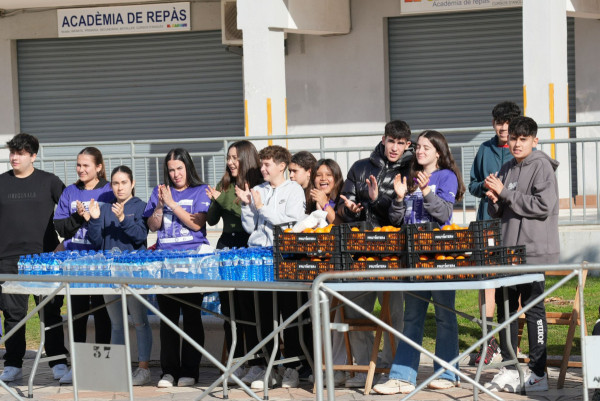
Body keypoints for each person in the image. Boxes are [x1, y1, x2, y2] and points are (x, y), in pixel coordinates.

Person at [374, 130, 465, 394]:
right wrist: (400, 198)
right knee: (412, 317)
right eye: (419, 147)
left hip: (439, 256)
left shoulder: (446, 176)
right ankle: (403, 376)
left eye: (427, 147)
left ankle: (447, 372)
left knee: (445, 316)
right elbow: (398, 220)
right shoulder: (410, 177)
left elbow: (444, 212)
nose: (420, 151)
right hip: (413, 256)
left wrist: (426, 190)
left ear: (439, 151)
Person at [336, 120, 413, 388]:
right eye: (391, 141)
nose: (394, 148)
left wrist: (376, 198)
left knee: (393, 313)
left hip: (392, 252)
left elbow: (398, 217)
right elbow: (342, 206)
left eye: (400, 143)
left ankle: (392, 368)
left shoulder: (409, 170)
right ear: (383, 139)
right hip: (359, 250)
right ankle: (365, 365)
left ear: (407, 145)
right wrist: (350, 210)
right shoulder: (360, 167)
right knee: (354, 311)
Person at [483, 116, 558, 393]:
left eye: (523, 139)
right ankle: (511, 367)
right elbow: (503, 209)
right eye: (513, 138)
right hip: (508, 253)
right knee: (506, 311)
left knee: (533, 310)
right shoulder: (506, 168)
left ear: (534, 141)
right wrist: (495, 200)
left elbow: (543, 206)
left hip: (534, 252)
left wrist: (505, 194)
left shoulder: (541, 166)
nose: (516, 143)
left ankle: (539, 372)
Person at [0, 133, 70, 383]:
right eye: (12, 152)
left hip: (45, 259)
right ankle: (13, 363)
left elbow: (69, 212)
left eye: (20, 153)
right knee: (13, 315)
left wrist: (64, 245)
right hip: (7, 259)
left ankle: (58, 362)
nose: (14, 157)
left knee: (50, 313)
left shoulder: (49, 182)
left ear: (33, 156)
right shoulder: (1, 182)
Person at [238, 145, 306, 390]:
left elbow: (291, 221)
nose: (262, 169)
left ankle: (292, 367)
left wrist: (262, 207)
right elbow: (250, 228)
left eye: (267, 165)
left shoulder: (295, 190)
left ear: (281, 166)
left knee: (289, 313)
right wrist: (247, 205)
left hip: (285, 256)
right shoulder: (258, 190)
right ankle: (267, 365)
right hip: (260, 255)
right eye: (261, 164)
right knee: (263, 312)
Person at [143, 148, 211, 388]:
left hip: (192, 262)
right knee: (167, 318)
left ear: (188, 168)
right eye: (171, 170)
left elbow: (197, 224)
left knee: (192, 316)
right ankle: (169, 371)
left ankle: (190, 371)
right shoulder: (159, 191)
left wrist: (173, 203)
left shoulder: (200, 190)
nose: (175, 174)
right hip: (165, 262)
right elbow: (152, 225)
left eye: (179, 169)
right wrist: (161, 206)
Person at [54, 146, 114, 384]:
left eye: (86, 165)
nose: (81, 169)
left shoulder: (109, 191)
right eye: (78, 165)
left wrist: (94, 218)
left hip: (101, 264)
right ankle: (76, 366)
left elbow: (113, 225)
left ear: (99, 167)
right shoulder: (70, 192)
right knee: (76, 316)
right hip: (74, 263)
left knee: (102, 314)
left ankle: (101, 367)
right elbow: (59, 228)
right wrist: (78, 217)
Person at [205, 140, 263, 385]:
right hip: (225, 247)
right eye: (228, 157)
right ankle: (237, 361)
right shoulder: (224, 183)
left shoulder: (256, 184)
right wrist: (217, 200)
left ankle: (257, 361)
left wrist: (224, 200)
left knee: (249, 306)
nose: (230, 162)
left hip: (247, 245)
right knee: (229, 310)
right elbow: (211, 219)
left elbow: (247, 216)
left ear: (246, 158)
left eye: (235, 157)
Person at [87, 165, 151, 386]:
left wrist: (124, 218)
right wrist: (94, 219)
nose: (120, 187)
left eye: (124, 182)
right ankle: (117, 368)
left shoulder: (141, 206)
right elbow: (96, 242)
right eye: (115, 183)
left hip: (134, 273)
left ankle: (143, 368)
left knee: (139, 321)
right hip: (110, 272)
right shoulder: (105, 208)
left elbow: (140, 236)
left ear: (132, 183)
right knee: (116, 323)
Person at [468, 101, 521, 366]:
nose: (503, 126)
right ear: (493, 124)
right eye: (499, 121)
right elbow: (472, 185)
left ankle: (513, 343)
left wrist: (504, 192)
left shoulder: (521, 152)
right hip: (487, 224)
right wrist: (486, 188)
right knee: (486, 283)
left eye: (508, 122)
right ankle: (488, 342)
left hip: (512, 225)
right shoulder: (484, 149)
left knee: (513, 284)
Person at [276, 151, 319, 387]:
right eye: (289, 171)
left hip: (311, 262)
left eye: (295, 171)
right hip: (293, 260)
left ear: (308, 172)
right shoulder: (288, 192)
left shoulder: (312, 196)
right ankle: (296, 363)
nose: (290, 175)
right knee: (293, 313)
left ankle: (311, 363)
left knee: (310, 316)